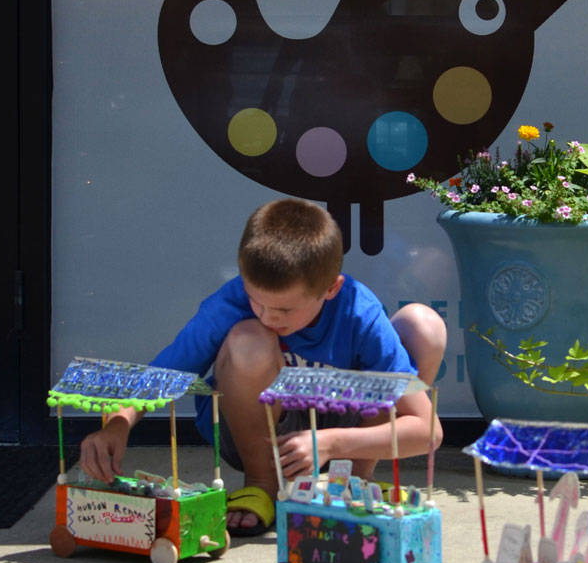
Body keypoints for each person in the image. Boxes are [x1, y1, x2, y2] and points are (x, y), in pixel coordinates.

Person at [79, 198, 446, 536]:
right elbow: (168, 372)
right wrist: (117, 424)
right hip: (254, 432)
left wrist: (332, 443)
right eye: (256, 300)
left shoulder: (357, 310)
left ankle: (354, 478)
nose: (269, 316)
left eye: (285, 309)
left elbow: (428, 430)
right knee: (248, 339)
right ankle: (261, 485)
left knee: (423, 326)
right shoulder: (232, 301)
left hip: (336, 440)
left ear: (331, 289)